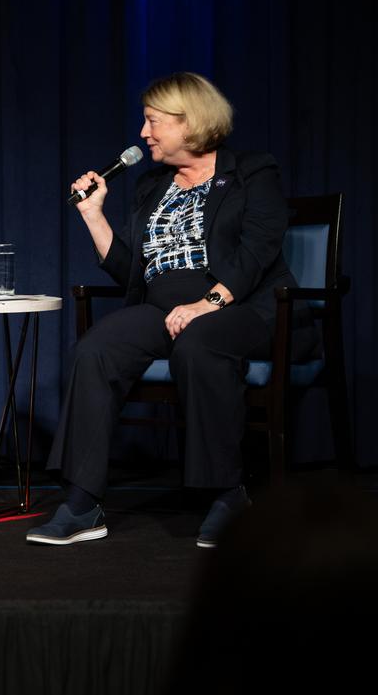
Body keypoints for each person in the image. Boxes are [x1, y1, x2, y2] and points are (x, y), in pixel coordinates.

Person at [28, 72, 298, 548]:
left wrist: (205, 303)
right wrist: (94, 216)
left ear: (190, 123)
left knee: (197, 344)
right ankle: (84, 500)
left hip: (243, 305)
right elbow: (134, 272)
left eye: (153, 121)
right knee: (96, 349)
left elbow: (257, 251)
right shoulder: (152, 186)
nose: (143, 133)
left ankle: (226, 494)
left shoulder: (252, 172)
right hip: (162, 305)